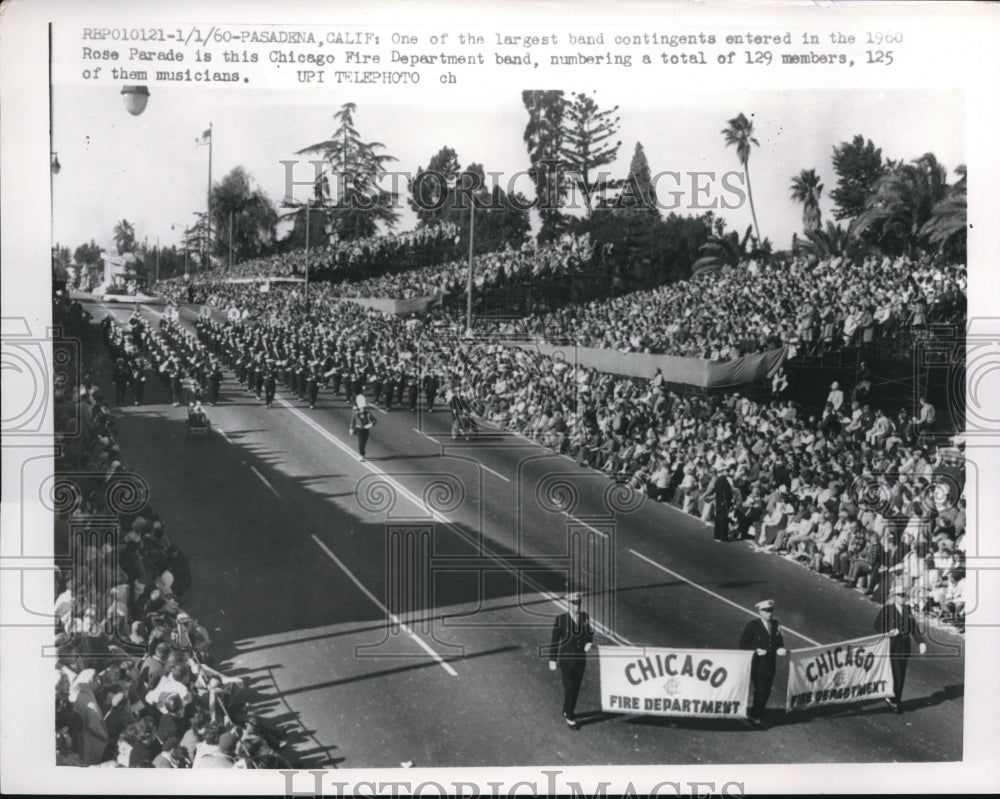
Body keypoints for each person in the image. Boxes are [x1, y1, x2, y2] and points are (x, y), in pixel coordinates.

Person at [873, 584, 927, 712]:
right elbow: (877, 625)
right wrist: (888, 631)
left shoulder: (907, 609)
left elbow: (913, 627)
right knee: (896, 674)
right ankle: (893, 700)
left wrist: (920, 642)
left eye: (905, 595)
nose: (903, 598)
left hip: (904, 646)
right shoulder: (887, 609)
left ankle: (895, 699)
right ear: (894, 596)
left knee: (900, 674)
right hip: (892, 646)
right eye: (900, 595)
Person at [546, 592, 594, 729]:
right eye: (573, 603)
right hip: (567, 661)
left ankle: (567, 708)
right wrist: (552, 660)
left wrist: (589, 642)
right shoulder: (561, 620)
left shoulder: (585, 617)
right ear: (568, 604)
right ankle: (571, 717)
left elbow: (590, 633)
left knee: (576, 688)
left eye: (578, 603)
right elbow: (555, 641)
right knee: (570, 688)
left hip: (580, 660)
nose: (576, 606)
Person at [738, 599, 787, 728]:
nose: (769, 614)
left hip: (770, 664)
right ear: (760, 612)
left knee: (766, 692)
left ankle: (758, 713)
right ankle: (754, 715)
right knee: (760, 690)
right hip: (757, 664)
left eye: (771, 611)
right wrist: (755, 650)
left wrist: (780, 648)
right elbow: (743, 644)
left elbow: (778, 641)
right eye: (766, 611)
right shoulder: (753, 625)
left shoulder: (776, 625)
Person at [708, 468, 734, 542]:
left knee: (719, 518)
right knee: (723, 519)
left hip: (720, 501)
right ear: (722, 472)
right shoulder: (722, 481)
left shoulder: (722, 480)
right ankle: (722, 536)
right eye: (726, 471)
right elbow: (724, 493)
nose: (727, 472)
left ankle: (717, 535)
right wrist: (726, 502)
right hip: (723, 502)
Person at [349, 394, 378, 460]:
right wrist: (351, 428)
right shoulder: (356, 413)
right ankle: (361, 454)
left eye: (363, 407)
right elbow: (353, 420)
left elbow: (374, 420)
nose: (362, 409)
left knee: (364, 443)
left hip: (365, 430)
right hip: (359, 429)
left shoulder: (368, 413)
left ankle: (362, 453)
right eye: (361, 407)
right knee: (361, 442)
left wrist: (370, 425)